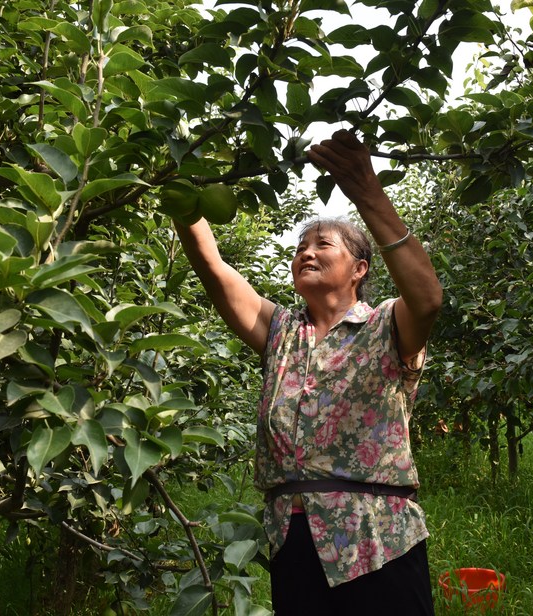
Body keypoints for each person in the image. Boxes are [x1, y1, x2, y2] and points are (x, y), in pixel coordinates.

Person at [173, 129, 443, 614]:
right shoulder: (279, 329)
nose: (306, 253)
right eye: (301, 247)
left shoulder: (386, 324)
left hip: (377, 539)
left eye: (323, 245)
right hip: (294, 538)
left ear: (359, 268)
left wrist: (366, 191)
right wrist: (178, 181)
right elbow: (212, 267)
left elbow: (428, 298)